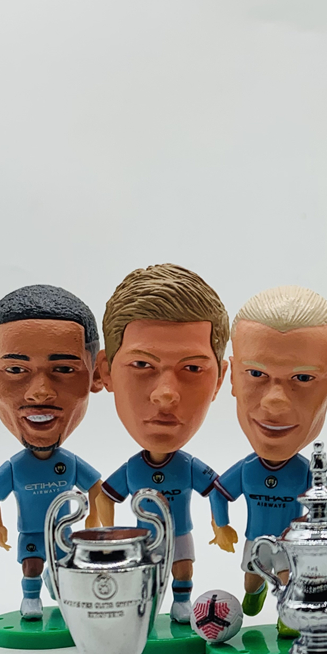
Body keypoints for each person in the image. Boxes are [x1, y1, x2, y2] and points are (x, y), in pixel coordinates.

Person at [96, 264, 235, 624]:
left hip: (181, 534)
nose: (166, 395)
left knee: (182, 568)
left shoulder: (188, 467)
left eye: (193, 369)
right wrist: (108, 535)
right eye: (142, 364)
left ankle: (181, 603)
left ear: (220, 379)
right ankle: (145, 610)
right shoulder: (133, 469)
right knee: (146, 573)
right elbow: (106, 496)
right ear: (105, 371)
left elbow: (216, 490)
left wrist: (220, 525)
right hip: (142, 539)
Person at [209, 286, 327, 637]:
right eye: (256, 374)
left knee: (288, 578)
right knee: (251, 577)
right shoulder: (247, 469)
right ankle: (254, 594)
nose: (274, 402)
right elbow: (220, 492)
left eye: (303, 378)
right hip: (254, 540)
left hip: (289, 543)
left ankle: (288, 613)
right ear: (232, 376)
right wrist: (220, 526)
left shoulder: (305, 472)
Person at [0, 285, 103, 619]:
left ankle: (60, 590)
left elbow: (96, 485)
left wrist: (94, 518)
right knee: (31, 564)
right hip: (31, 532)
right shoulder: (15, 467)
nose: (40, 393)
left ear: (98, 374)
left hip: (63, 532)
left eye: (64, 369)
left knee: (64, 566)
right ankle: (31, 598)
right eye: (16, 370)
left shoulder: (69, 463)